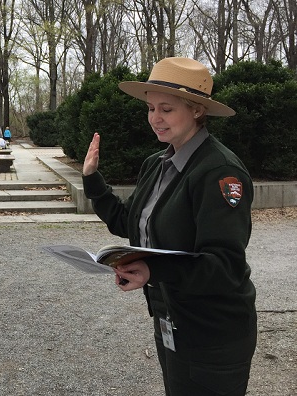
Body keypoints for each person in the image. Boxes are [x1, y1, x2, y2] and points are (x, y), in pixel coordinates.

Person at [81, 57, 256, 396]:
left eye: (166, 109)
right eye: (150, 108)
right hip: (169, 318)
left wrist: (152, 269)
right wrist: (92, 179)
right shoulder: (157, 164)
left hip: (212, 332)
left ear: (196, 111)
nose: (155, 119)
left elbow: (224, 266)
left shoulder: (219, 172)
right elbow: (126, 221)